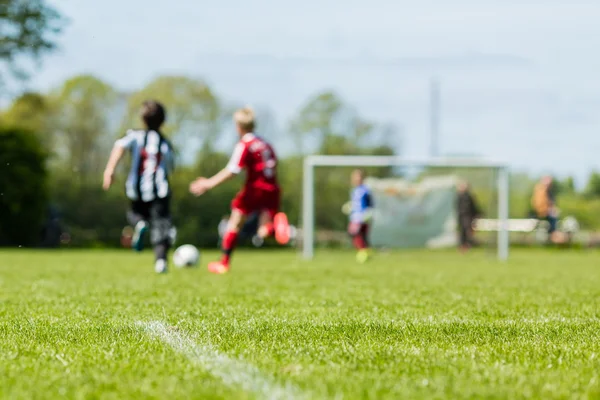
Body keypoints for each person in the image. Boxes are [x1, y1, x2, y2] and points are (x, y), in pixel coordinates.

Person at [189, 107, 289, 274]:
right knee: (263, 232)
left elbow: (233, 170)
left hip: (254, 189)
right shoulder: (266, 144)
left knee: (234, 223)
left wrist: (208, 183)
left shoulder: (245, 144)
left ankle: (224, 263)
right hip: (272, 188)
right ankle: (276, 227)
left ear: (238, 127)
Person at [103, 100, 175, 274]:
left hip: (137, 189)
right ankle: (161, 262)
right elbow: (170, 166)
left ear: (143, 119)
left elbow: (119, 146)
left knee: (134, 214)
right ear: (163, 121)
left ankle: (140, 223)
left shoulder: (135, 135)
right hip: (160, 191)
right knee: (161, 226)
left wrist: (110, 169)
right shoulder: (165, 143)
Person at [346, 169, 374, 263]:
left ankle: (364, 253)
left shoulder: (365, 190)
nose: (356, 179)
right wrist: (349, 207)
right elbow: (355, 203)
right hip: (354, 217)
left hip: (362, 217)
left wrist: (368, 212)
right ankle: (364, 252)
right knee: (354, 235)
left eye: (358, 176)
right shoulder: (354, 190)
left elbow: (370, 203)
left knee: (361, 235)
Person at [531, 175, 559, 242]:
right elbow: (539, 204)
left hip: (546, 212)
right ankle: (553, 235)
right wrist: (547, 210)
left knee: (554, 216)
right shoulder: (540, 190)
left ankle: (553, 234)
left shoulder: (548, 191)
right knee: (553, 217)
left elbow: (552, 203)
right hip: (541, 213)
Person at [456, 181, 481, 252]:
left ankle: (466, 246)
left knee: (467, 232)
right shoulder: (459, 196)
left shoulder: (468, 196)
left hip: (467, 217)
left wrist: (477, 214)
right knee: (463, 232)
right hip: (462, 217)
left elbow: (473, 207)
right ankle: (463, 246)